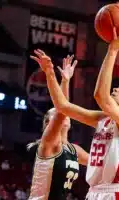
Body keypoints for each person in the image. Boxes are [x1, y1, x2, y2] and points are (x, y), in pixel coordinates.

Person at [31, 22, 119, 200]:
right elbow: (63, 106)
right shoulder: (104, 119)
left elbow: (101, 96)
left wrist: (113, 50)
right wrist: (50, 74)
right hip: (93, 192)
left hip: (114, 193)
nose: (116, 89)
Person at [27, 54, 89, 200]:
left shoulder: (74, 150)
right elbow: (63, 110)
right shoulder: (49, 143)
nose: (63, 116)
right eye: (55, 116)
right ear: (49, 124)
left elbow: (99, 162)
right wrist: (51, 73)